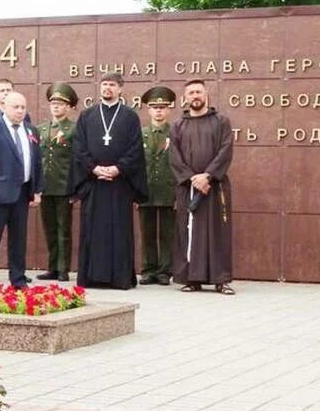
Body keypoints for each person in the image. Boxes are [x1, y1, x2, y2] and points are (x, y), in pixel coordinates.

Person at [67, 72, 147, 290]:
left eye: (112, 85)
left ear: (120, 89)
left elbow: (135, 149)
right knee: (92, 231)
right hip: (93, 185)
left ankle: (120, 278)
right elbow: (79, 148)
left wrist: (117, 168)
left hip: (119, 185)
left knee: (119, 232)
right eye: (104, 85)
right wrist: (94, 168)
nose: (107, 89)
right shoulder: (87, 115)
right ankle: (90, 278)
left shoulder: (130, 117)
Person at [170, 79, 234, 295]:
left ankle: (221, 279)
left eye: (198, 92)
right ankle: (191, 279)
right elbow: (174, 156)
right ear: (185, 97)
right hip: (188, 188)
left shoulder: (221, 122)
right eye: (191, 93)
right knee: (188, 232)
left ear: (206, 95)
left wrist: (207, 176)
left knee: (217, 232)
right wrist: (192, 179)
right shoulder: (178, 125)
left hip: (214, 186)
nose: (195, 96)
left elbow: (225, 151)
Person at [0, 92, 43, 288]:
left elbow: (37, 161)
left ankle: (18, 278)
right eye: (16, 107)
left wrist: (37, 189)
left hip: (22, 193)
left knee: (19, 239)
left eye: (23, 107)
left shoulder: (31, 131)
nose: (20, 111)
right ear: (4, 107)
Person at [36, 82, 78, 282]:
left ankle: (63, 268)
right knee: (49, 229)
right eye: (53, 103)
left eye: (61, 104)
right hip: (45, 186)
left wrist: (74, 188)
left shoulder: (73, 129)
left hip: (63, 186)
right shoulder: (41, 129)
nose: (56, 107)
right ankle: (52, 267)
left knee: (64, 229)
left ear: (68, 107)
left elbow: (76, 160)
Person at [138, 86, 177, 286]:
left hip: (168, 189)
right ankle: (148, 269)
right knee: (147, 232)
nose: (159, 111)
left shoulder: (176, 133)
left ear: (168, 110)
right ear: (148, 110)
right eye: (154, 107)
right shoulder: (140, 133)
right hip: (146, 190)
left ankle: (164, 271)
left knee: (166, 232)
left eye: (162, 107)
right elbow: (136, 163)